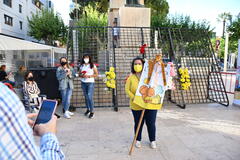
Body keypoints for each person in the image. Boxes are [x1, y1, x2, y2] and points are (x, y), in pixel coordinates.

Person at [0, 82, 65, 159]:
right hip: (30, 97)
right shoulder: (4, 96)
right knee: (39, 99)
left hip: (35, 96)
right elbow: (27, 92)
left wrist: (17, 120)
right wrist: (49, 134)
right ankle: (37, 109)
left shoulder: (34, 83)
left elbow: (37, 90)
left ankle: (37, 109)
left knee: (41, 98)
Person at [125, 57, 158, 149]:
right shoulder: (131, 77)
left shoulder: (149, 76)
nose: (137, 65)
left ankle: (152, 140)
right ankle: (138, 139)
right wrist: (135, 98)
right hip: (136, 105)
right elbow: (127, 90)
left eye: (139, 64)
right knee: (138, 123)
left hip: (150, 104)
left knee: (151, 123)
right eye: (135, 64)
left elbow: (156, 86)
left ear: (143, 65)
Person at [79, 54, 98, 119]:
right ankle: (88, 109)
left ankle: (92, 111)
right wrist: (82, 75)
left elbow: (96, 74)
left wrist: (89, 76)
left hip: (90, 83)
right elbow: (79, 74)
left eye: (87, 58)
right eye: (85, 58)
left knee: (89, 96)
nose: (86, 59)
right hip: (83, 83)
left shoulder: (92, 65)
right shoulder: (82, 66)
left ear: (89, 58)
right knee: (86, 97)